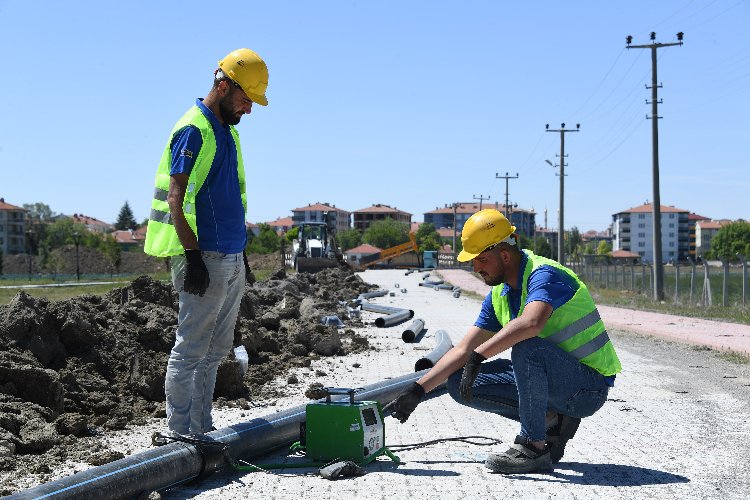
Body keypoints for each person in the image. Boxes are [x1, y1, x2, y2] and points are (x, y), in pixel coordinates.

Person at [383, 209, 621, 474]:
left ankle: (533, 448)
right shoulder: (500, 295)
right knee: (459, 382)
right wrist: (418, 390)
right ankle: (551, 420)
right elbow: (463, 348)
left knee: (527, 348)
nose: (476, 268)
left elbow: (532, 323)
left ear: (505, 255)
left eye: (481, 260)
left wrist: (479, 356)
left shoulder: (545, 275)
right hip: (556, 384)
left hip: (587, 389)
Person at [144, 48, 269, 438]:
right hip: (206, 256)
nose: (248, 109)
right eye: (245, 99)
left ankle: (201, 427)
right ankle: (179, 434)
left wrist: (242, 252)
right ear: (223, 84)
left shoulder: (227, 131)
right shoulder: (193, 130)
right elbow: (175, 200)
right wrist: (193, 257)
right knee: (190, 351)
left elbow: (230, 195)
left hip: (230, 254)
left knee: (215, 352)